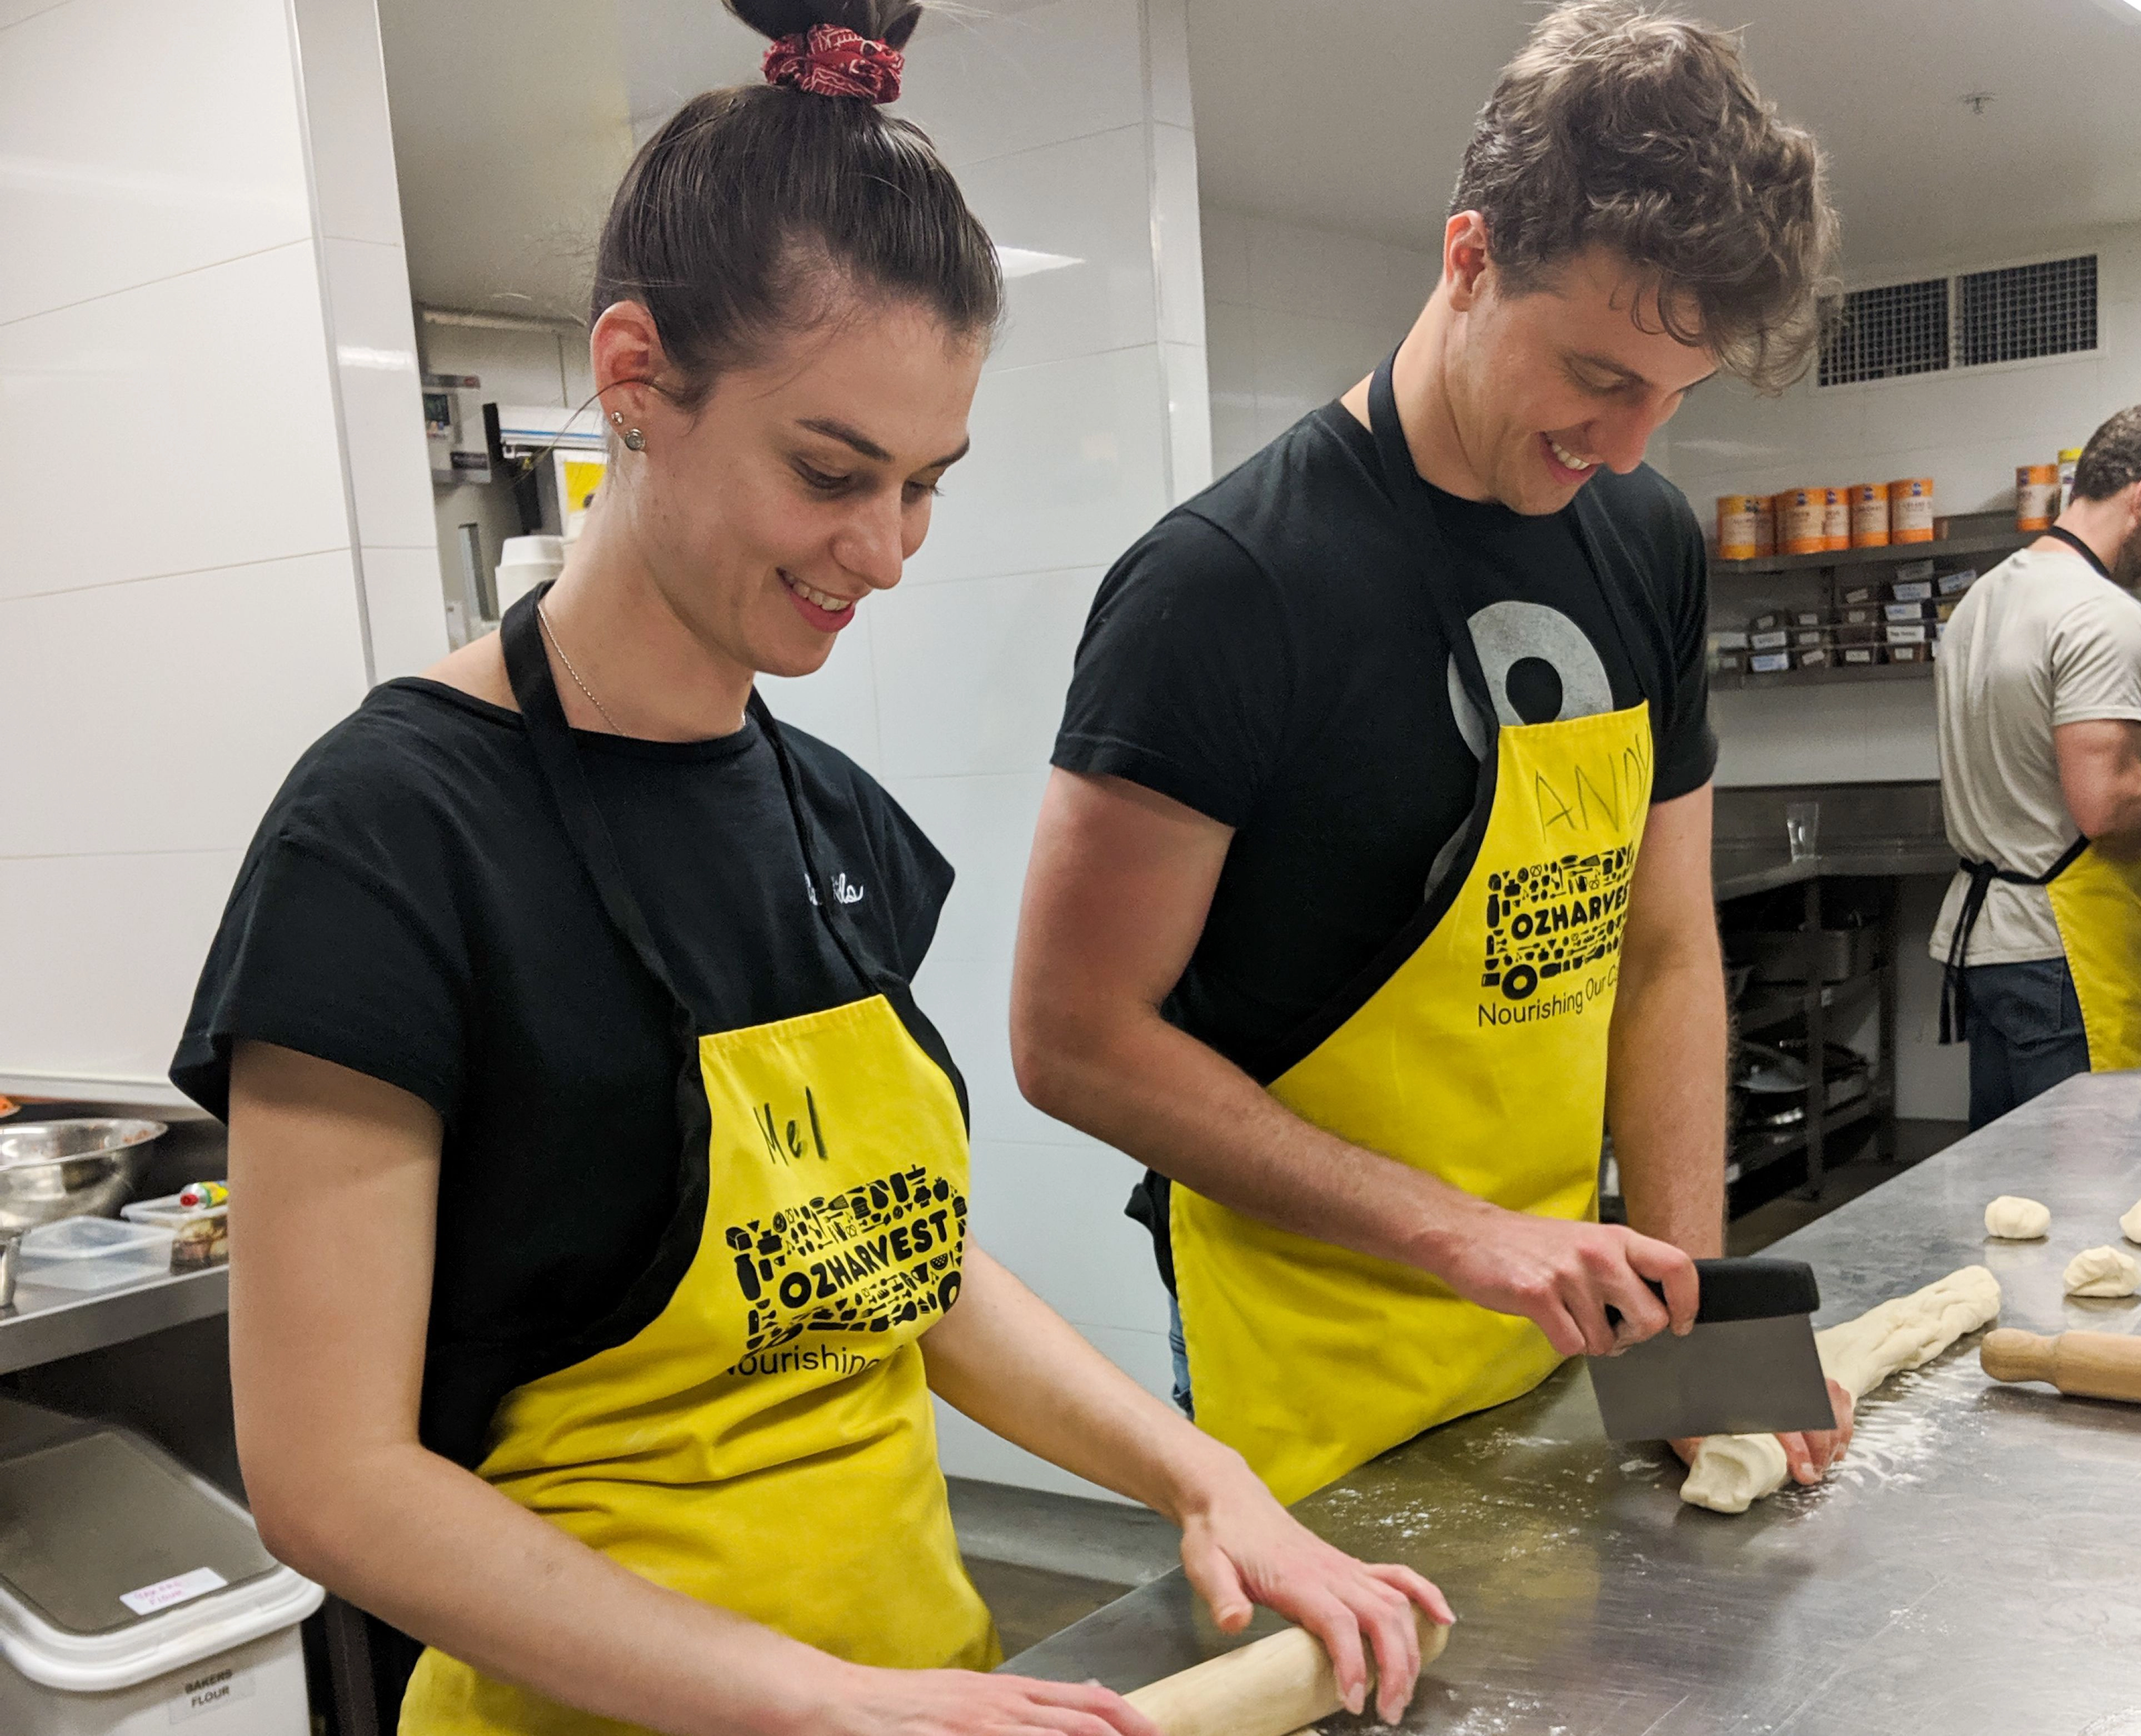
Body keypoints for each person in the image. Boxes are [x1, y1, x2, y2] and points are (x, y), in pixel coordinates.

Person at [170, 7, 1450, 1733]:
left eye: (925, 485)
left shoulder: (824, 814)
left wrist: (1199, 1474)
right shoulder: (392, 838)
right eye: (830, 471)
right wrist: (817, 1700)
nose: (886, 551)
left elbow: (901, 1271)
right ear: (637, 376)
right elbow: (328, 1481)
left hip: (923, 1688)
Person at [1008, 0, 1852, 1509]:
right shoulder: (1223, 587)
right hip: (1307, 1356)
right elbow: (1069, 1038)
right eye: (1598, 374)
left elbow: (1662, 953)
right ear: (1469, 260)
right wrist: (1461, 1234)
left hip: (1563, 1332)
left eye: (1675, 395)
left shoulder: (1644, 541)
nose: (1627, 443)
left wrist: (1689, 1334)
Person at [1933, 402, 2141, 1129]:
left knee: (2009, 1178)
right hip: (2064, 957)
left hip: (1991, 943)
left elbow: (2045, 780)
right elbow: (2104, 808)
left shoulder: (1983, 598)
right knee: (2094, 1184)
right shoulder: (2100, 612)